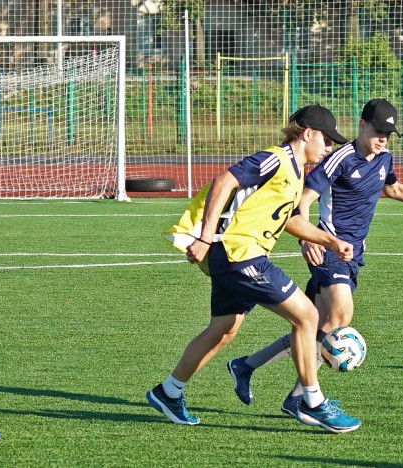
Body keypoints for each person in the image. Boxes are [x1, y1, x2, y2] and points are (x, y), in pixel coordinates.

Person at [227, 98, 403, 416]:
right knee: (340, 317)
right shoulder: (340, 158)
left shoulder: (384, 158)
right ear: (362, 125)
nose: (383, 137)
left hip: (353, 255)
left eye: (389, 133)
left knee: (316, 325)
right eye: (379, 130)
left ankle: (247, 366)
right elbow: (304, 198)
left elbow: (396, 190)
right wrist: (305, 239)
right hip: (329, 250)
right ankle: (303, 398)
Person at [147, 104, 362, 434]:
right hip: (239, 254)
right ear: (309, 134)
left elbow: (290, 219)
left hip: (234, 256)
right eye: (327, 140)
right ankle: (312, 402)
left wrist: (330, 242)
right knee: (307, 317)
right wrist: (205, 236)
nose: (329, 148)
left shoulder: (295, 171)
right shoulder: (275, 159)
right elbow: (223, 182)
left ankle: (168, 391)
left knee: (224, 329)